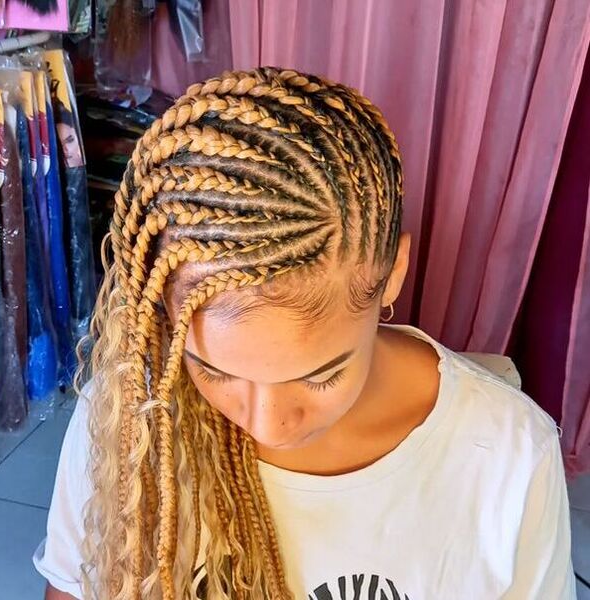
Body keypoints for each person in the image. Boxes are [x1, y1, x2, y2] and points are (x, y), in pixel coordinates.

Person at [34, 67, 576, 600]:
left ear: (393, 274)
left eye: (321, 376)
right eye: (213, 370)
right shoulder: (133, 417)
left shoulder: (510, 456)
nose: (269, 426)